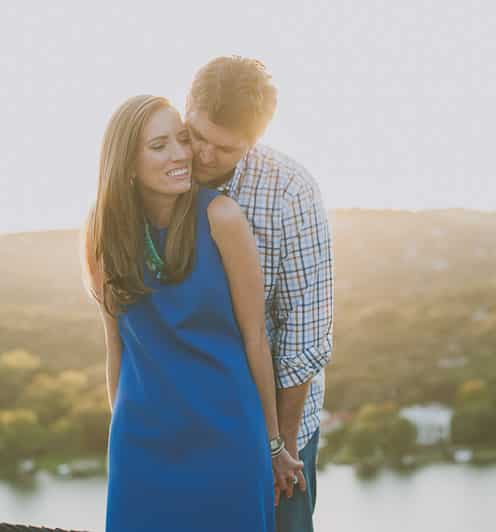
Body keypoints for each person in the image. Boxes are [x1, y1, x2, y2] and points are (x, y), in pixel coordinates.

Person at [81, 94, 303, 532]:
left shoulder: (222, 217)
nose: (182, 154)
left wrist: (273, 443)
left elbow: (256, 339)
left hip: (228, 439)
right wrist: (122, 434)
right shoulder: (102, 230)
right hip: (143, 444)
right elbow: (116, 347)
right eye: (159, 146)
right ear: (126, 162)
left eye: (181, 139)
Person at [185, 56, 334, 532]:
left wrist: (281, 449)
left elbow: (303, 341)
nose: (203, 157)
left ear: (254, 142)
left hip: (276, 422)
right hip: (191, 417)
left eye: (224, 149)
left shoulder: (290, 192)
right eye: (197, 136)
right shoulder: (158, 163)